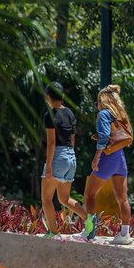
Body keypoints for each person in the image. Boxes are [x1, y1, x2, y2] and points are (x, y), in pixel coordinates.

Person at [83, 84, 133, 245]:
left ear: (102, 101)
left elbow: (104, 137)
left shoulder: (104, 114)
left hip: (108, 157)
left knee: (90, 194)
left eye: (97, 100)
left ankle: (89, 231)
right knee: (122, 198)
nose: (96, 104)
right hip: (121, 159)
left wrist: (96, 157)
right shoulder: (119, 114)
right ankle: (125, 234)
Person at [41, 82, 88, 236]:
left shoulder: (50, 114)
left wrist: (48, 167)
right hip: (71, 156)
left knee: (47, 198)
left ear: (48, 97)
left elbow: (51, 142)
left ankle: (53, 233)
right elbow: (72, 138)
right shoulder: (69, 113)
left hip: (58, 157)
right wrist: (69, 157)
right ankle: (89, 219)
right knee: (64, 198)